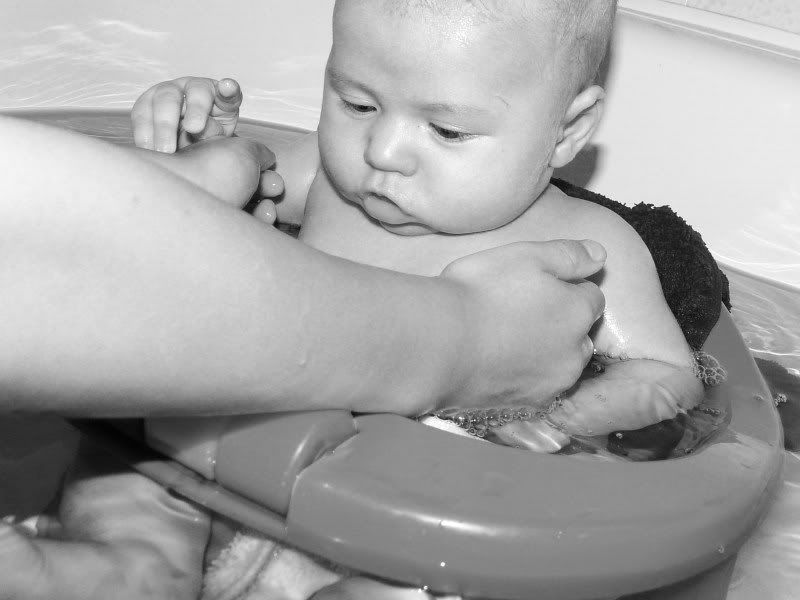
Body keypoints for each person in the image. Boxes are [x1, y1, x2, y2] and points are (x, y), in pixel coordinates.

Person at [2, 0, 706, 598]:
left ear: (568, 130)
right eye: (357, 102)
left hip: (398, 517)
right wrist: (200, 153)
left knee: (425, 585)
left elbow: (666, 374)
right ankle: (112, 570)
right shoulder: (327, 180)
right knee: (126, 475)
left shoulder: (590, 246)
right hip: (210, 452)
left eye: (447, 130)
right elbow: (195, 232)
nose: (383, 150)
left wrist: (565, 422)